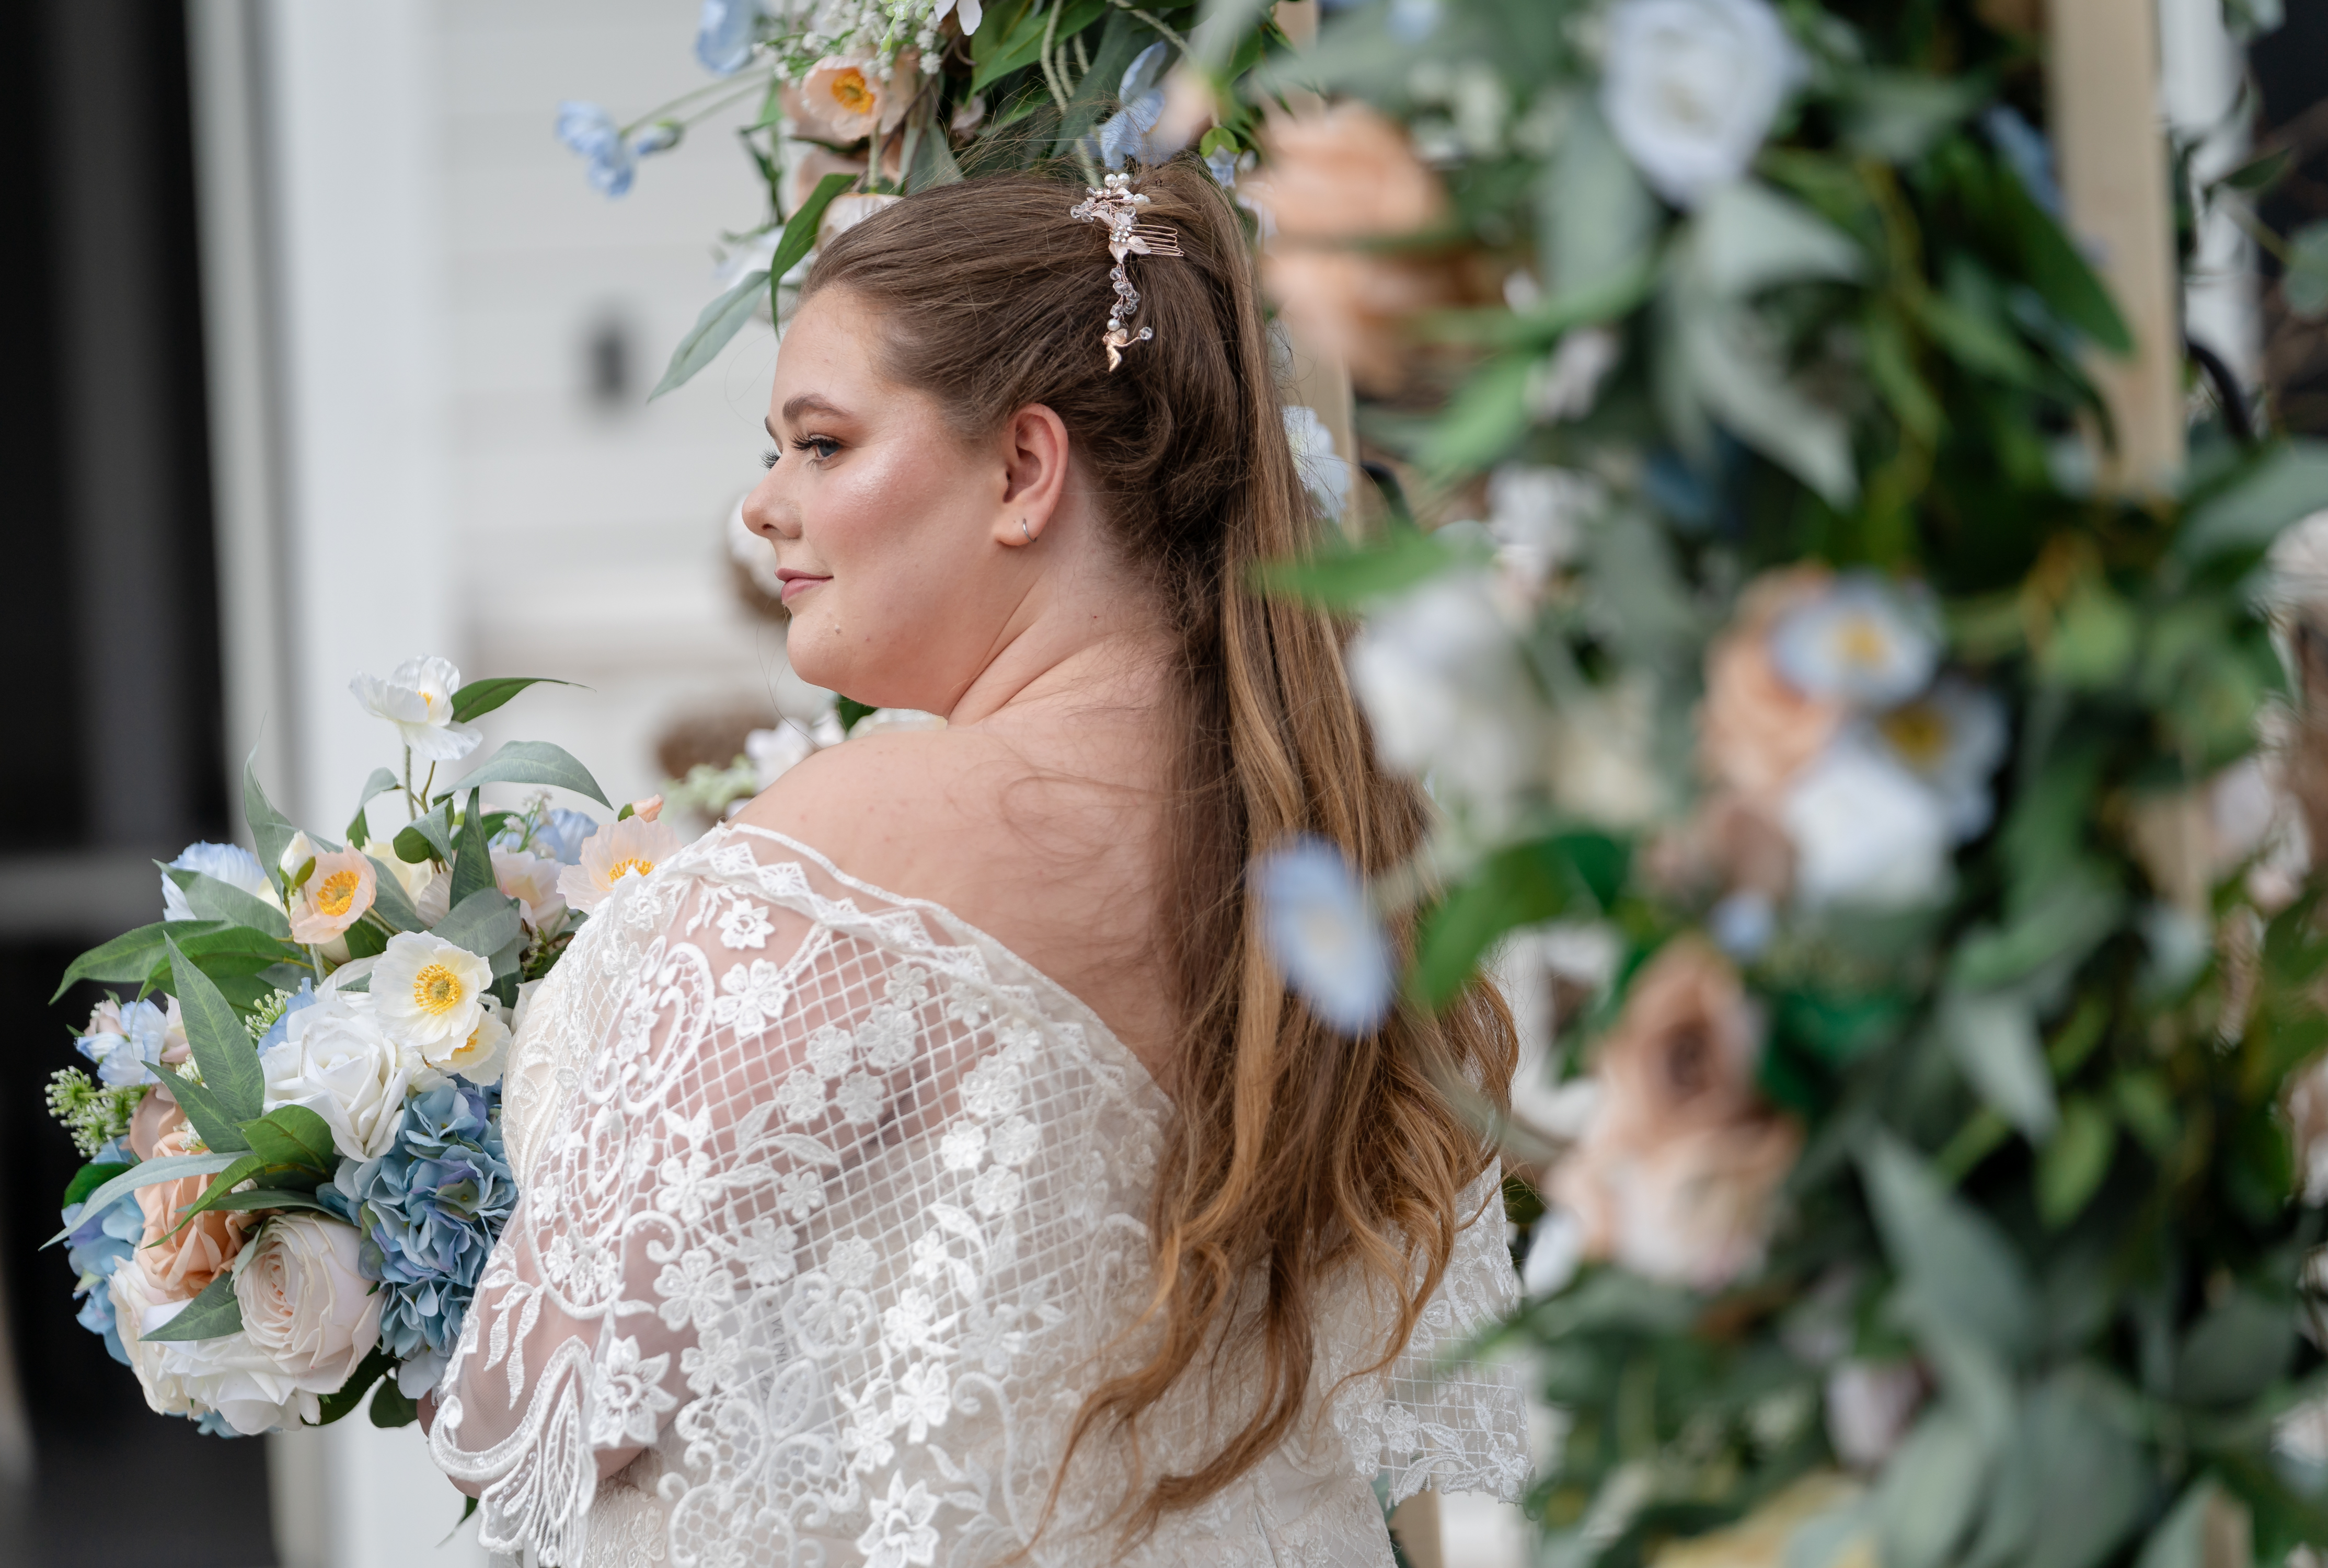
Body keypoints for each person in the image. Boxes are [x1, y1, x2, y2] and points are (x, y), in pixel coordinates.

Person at [425, 160, 1528, 1566]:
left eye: (819, 444)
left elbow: (538, 1420)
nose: (761, 508)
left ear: (1022, 469)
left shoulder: (855, 844)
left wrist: (384, 1255)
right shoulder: (1329, 837)